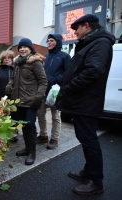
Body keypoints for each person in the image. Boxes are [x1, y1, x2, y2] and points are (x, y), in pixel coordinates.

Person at [55, 14, 115, 195]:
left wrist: (68, 88)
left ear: (87, 26)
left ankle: (96, 181)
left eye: (77, 29)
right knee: (85, 138)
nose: (75, 33)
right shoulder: (92, 42)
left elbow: (93, 71)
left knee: (89, 141)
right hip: (81, 101)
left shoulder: (100, 43)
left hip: (86, 101)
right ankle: (88, 172)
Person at [5, 38, 47, 165]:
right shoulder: (17, 62)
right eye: (20, 47)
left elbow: (43, 81)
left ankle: (32, 152)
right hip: (18, 101)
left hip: (30, 101)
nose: (22, 49)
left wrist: (38, 97)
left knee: (30, 126)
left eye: (25, 47)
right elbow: (13, 78)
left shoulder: (35, 62)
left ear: (30, 49)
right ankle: (27, 148)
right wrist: (9, 85)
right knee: (22, 125)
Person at [37, 34, 71, 149]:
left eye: (52, 41)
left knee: (55, 116)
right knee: (40, 114)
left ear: (58, 42)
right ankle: (43, 135)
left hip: (55, 91)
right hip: (43, 90)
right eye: (48, 41)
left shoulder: (64, 57)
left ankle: (54, 138)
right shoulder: (45, 57)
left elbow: (68, 74)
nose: (49, 43)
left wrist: (55, 79)